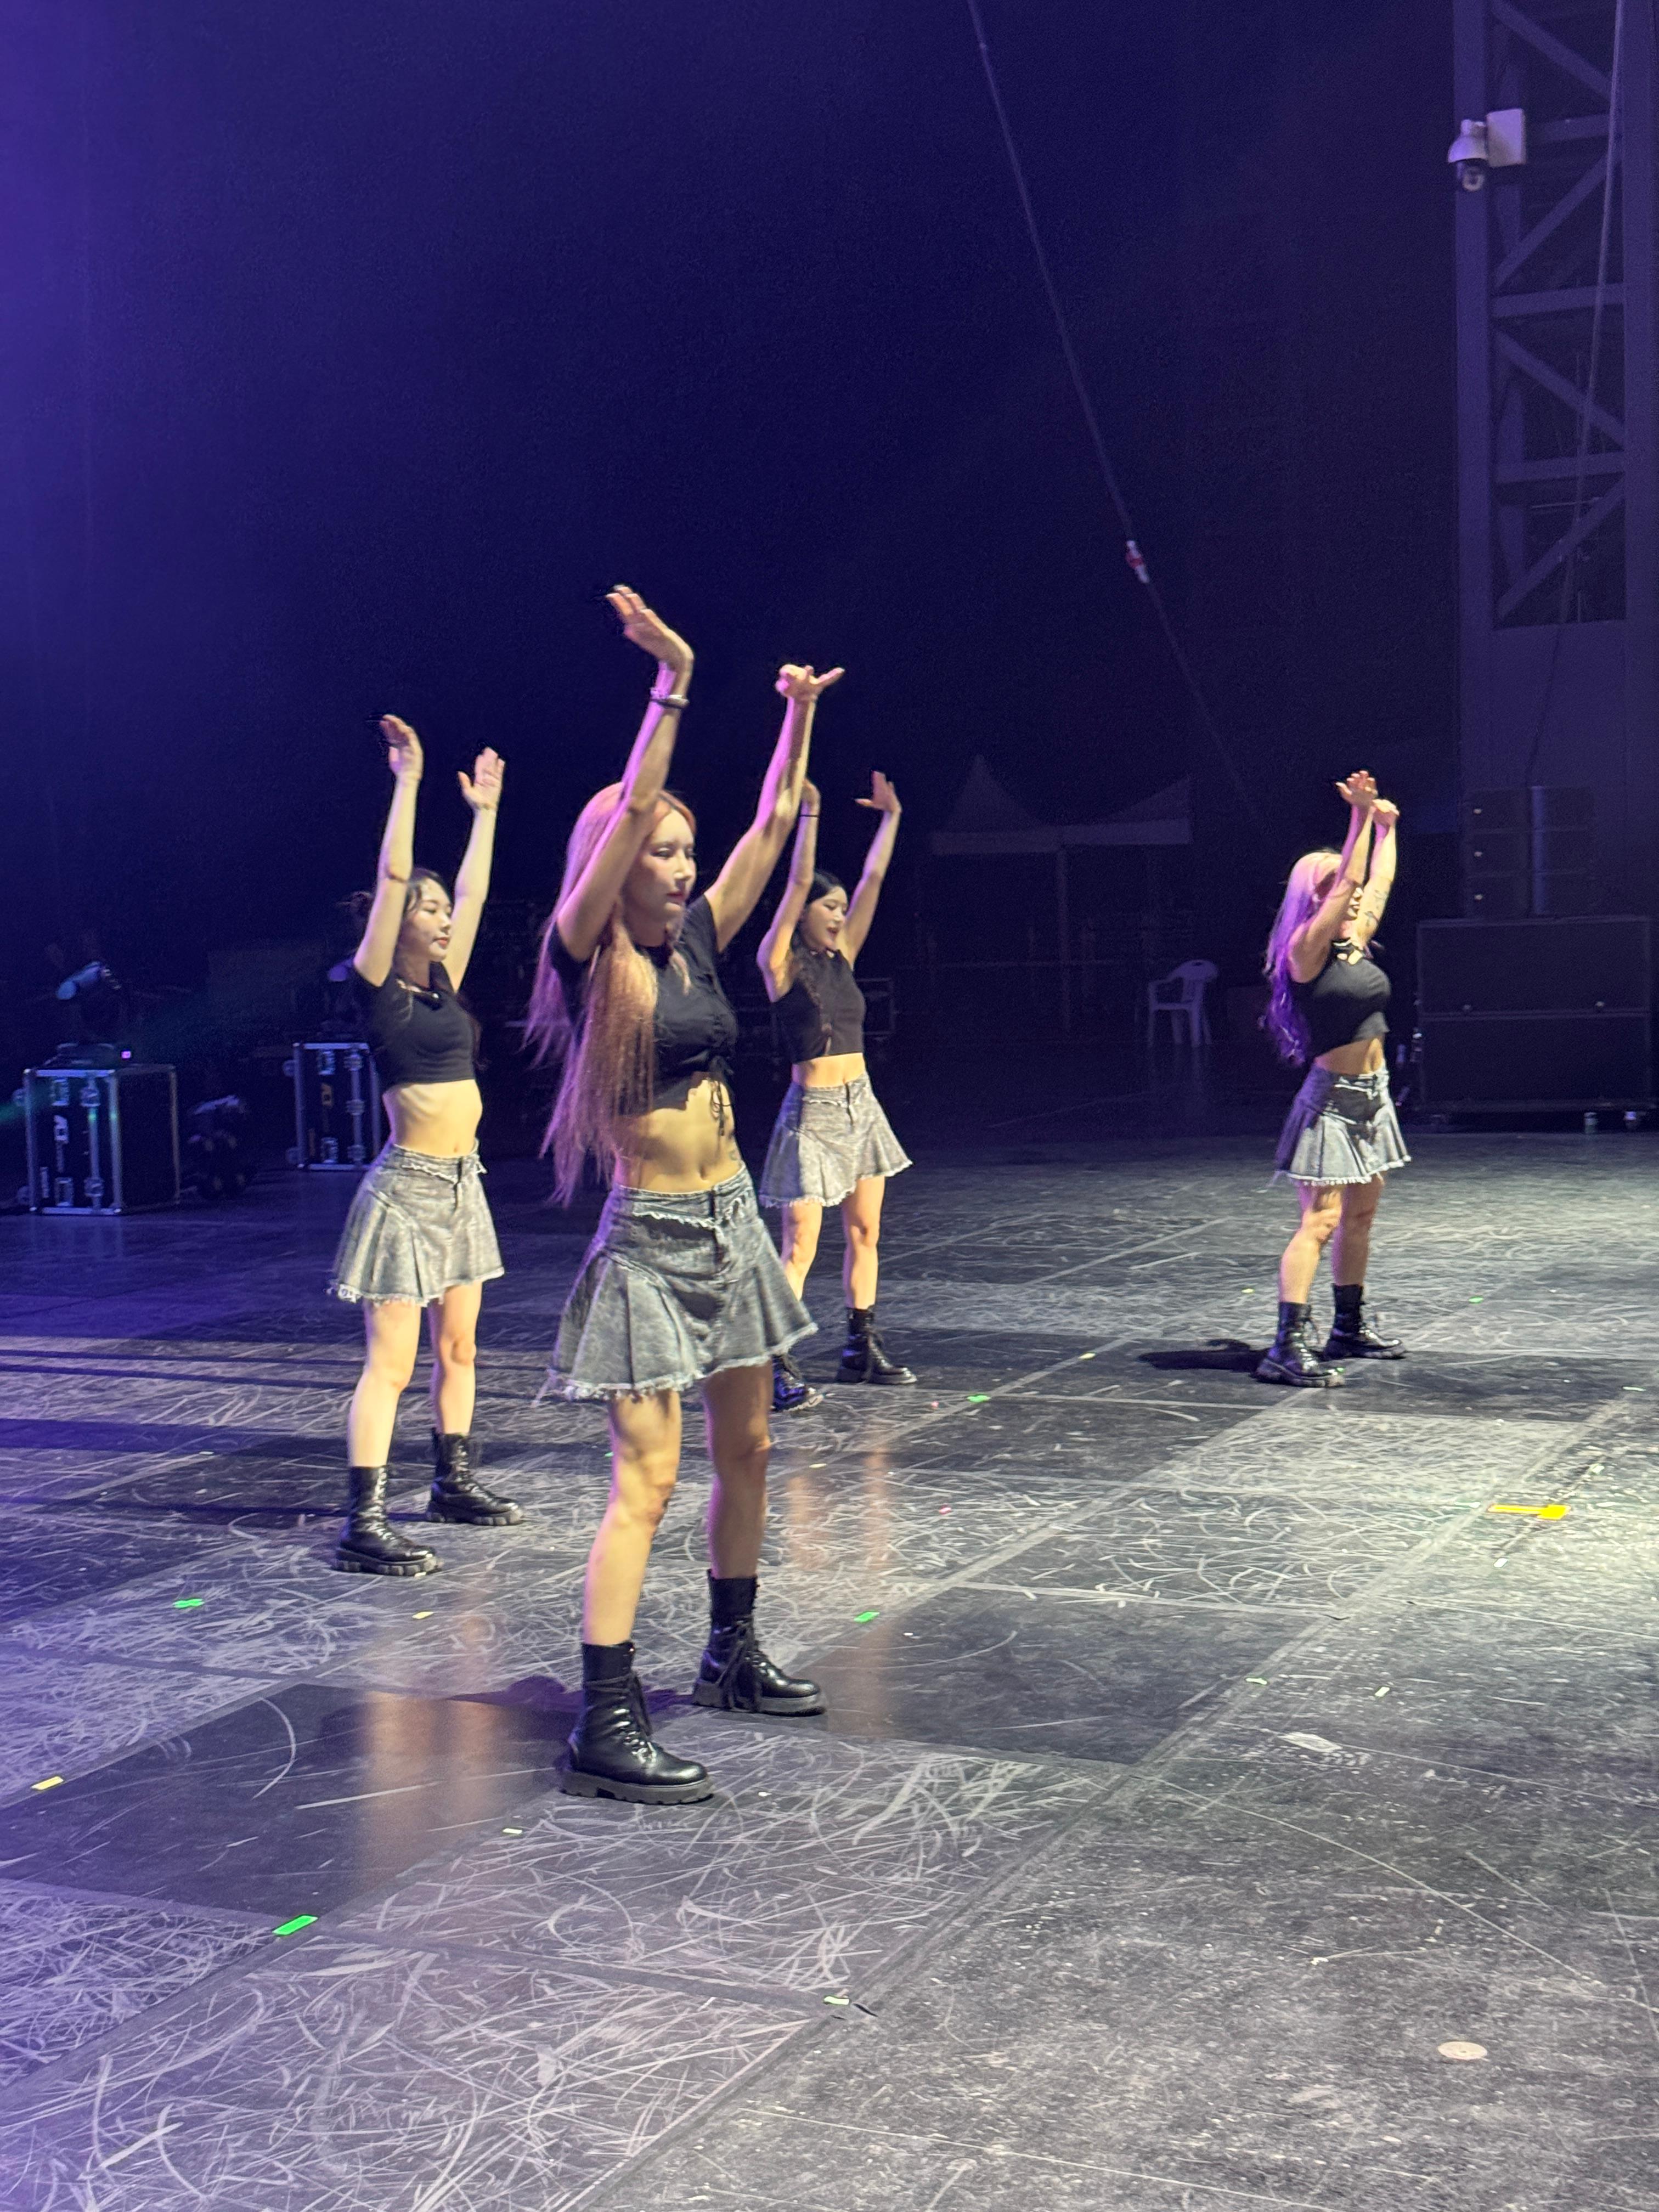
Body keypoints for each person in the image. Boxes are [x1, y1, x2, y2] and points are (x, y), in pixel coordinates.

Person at [526, 587, 840, 1805]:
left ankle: (730, 1653)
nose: (679, 867)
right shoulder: (582, 953)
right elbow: (626, 817)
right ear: (617, 863)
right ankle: (604, 1721)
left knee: (748, 1449)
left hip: (730, 1225)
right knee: (646, 1480)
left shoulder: (699, 941)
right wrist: (674, 683)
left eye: (682, 854)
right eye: (659, 852)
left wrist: (795, 715)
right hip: (649, 1244)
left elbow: (773, 822)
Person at [329, 716, 522, 1572]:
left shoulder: (446, 983)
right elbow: (392, 873)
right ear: (397, 920)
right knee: (393, 1363)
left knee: (460, 1348)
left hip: (461, 1185)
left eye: (444, 910)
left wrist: (486, 815)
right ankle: (363, 1521)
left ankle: (453, 1481)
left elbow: (475, 895)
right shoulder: (378, 989)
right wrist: (407, 782)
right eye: (429, 908)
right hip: (406, 1191)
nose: (444, 918)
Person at [757, 770, 913, 1412]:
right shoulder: (778, 964)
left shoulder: (843, 955)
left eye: (842, 909)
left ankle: (860, 1347)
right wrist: (810, 818)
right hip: (814, 1115)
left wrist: (891, 819)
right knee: (799, 1246)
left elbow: (873, 880)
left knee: (865, 1233)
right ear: (803, 913)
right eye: (830, 907)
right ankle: (775, 1361)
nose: (840, 916)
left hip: (860, 1107)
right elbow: (797, 883)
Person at [1257, 771, 1409, 1386]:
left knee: (1361, 1217)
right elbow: (1352, 878)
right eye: (1330, 884)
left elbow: (1378, 882)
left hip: (1374, 1098)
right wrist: (1359, 818)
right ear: (1312, 895)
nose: (1347, 891)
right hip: (1331, 1104)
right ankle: (1285, 1346)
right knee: (1319, 1222)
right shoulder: (1305, 950)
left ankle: (1348, 1325)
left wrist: (1387, 828)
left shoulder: (1355, 941)